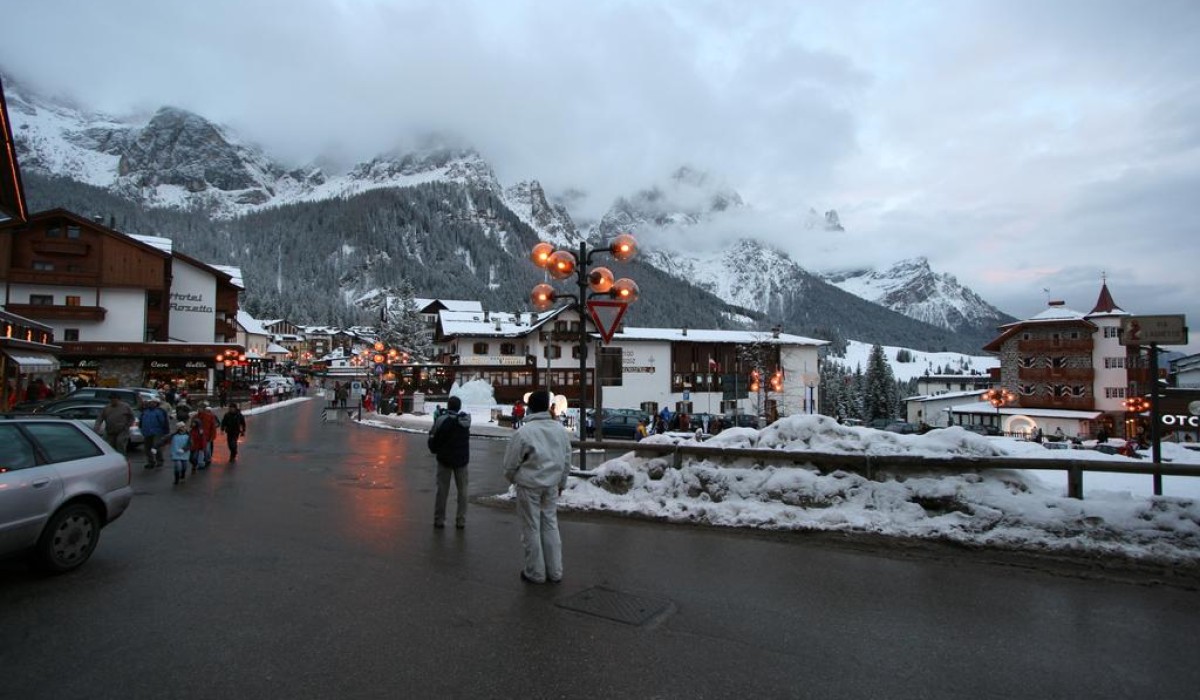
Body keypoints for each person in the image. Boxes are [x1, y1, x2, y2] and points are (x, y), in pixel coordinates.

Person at [503, 390, 573, 585]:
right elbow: (567, 459)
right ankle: (555, 571)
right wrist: (562, 482)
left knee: (531, 528)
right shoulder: (559, 430)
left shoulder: (524, 431)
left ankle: (536, 572)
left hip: (529, 484)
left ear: (530, 407)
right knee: (550, 525)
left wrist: (513, 478)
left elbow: (510, 463)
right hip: (551, 485)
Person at [427, 395, 471, 529]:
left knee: (442, 491)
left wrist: (434, 449)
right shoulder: (465, 420)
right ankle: (461, 520)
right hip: (462, 460)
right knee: (463, 491)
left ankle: (439, 519)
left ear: (448, 405)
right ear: (459, 407)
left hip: (445, 459)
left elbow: (433, 436)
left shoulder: (441, 420)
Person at [139, 398, 171, 469]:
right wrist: (141, 429)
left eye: (153, 403)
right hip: (147, 432)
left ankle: (159, 461)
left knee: (156, 447)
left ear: (157, 403)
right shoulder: (145, 411)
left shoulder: (159, 411)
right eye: (150, 402)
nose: (151, 404)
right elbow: (141, 420)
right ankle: (151, 462)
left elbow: (164, 422)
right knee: (147, 448)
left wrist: (165, 431)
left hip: (157, 432)